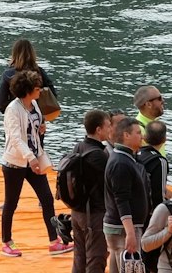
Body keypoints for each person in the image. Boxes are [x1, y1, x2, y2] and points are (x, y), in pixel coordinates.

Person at [1, 68, 70, 256]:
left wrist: (41, 127)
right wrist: (31, 159)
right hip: (15, 163)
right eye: (38, 89)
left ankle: (54, 240)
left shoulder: (34, 104)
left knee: (47, 198)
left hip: (33, 159)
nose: (41, 91)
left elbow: (34, 124)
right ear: (29, 89)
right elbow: (15, 138)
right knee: (11, 203)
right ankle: (6, 241)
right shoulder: (12, 109)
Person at [63, 110, 118, 273]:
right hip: (93, 214)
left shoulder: (79, 147)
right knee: (97, 258)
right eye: (108, 125)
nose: (111, 129)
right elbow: (110, 185)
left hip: (77, 211)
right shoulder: (99, 156)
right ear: (98, 129)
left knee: (79, 257)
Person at [106, 119, 153, 271]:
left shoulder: (124, 157)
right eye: (138, 133)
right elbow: (122, 200)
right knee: (130, 267)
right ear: (126, 135)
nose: (142, 136)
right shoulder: (121, 163)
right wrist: (130, 233)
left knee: (117, 265)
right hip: (123, 228)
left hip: (121, 226)